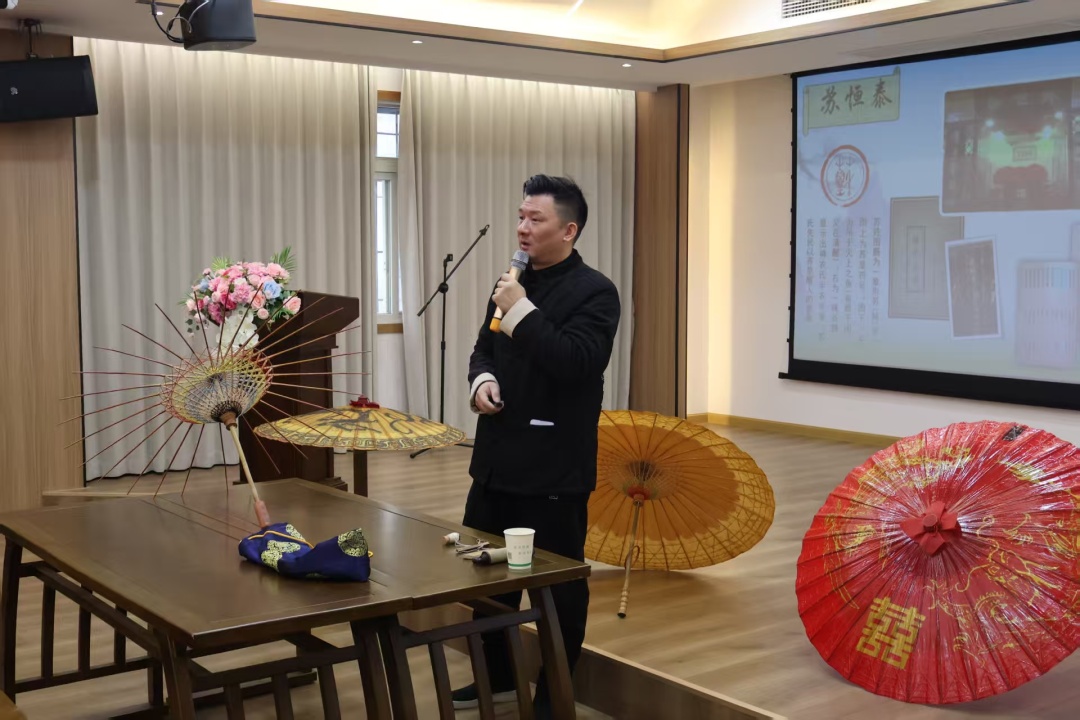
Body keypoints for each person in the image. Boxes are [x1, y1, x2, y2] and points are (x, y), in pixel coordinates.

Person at [451, 174, 621, 717]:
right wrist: (481, 381)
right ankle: (496, 677)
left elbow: (577, 362)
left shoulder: (595, 291)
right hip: (495, 462)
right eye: (521, 217)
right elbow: (484, 348)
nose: (522, 228)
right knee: (485, 579)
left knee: (556, 588)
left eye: (536, 219)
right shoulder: (511, 280)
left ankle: (554, 693)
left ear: (568, 230)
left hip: (553, 469)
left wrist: (521, 308)